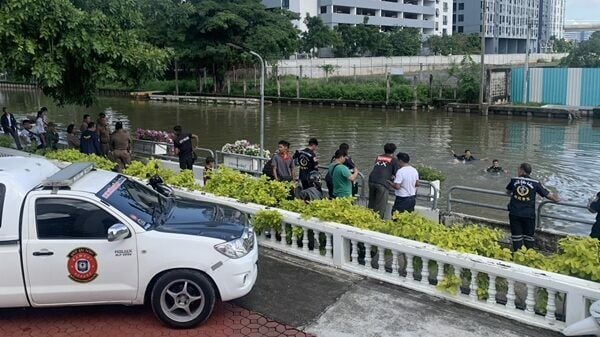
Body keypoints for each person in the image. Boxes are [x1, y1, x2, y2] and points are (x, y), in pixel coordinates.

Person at [506, 163, 560, 251]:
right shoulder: (535, 183)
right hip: (529, 214)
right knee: (529, 237)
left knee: (516, 237)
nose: (517, 171)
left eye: (518, 169)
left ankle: (517, 254)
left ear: (522, 170)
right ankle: (528, 255)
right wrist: (557, 199)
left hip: (515, 213)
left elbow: (508, 191)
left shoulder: (514, 180)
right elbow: (548, 195)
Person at [368, 143, 399, 218]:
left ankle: (368, 218)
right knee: (380, 205)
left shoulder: (379, 157)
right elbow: (397, 174)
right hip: (382, 183)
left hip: (371, 180)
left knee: (371, 202)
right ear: (394, 151)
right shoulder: (394, 160)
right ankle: (378, 222)